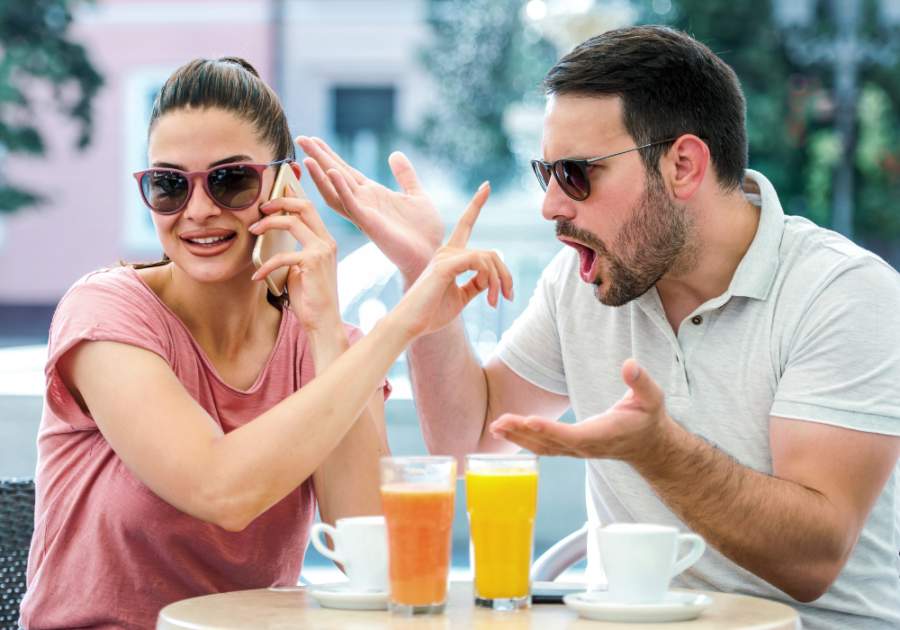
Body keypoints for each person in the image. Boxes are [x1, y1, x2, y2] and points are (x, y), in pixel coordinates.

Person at [299, 26, 900, 629]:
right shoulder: (587, 281)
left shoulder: (842, 293)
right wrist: (421, 268)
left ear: (683, 165)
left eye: (577, 174)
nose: (551, 206)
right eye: (546, 174)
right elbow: (470, 441)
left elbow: (812, 559)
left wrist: (659, 451)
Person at [19, 57, 508, 630]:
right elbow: (222, 489)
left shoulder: (326, 343)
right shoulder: (106, 312)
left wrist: (326, 330)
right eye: (169, 184)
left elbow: (372, 557)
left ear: (282, 187)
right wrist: (401, 324)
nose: (198, 210)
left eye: (231, 180)